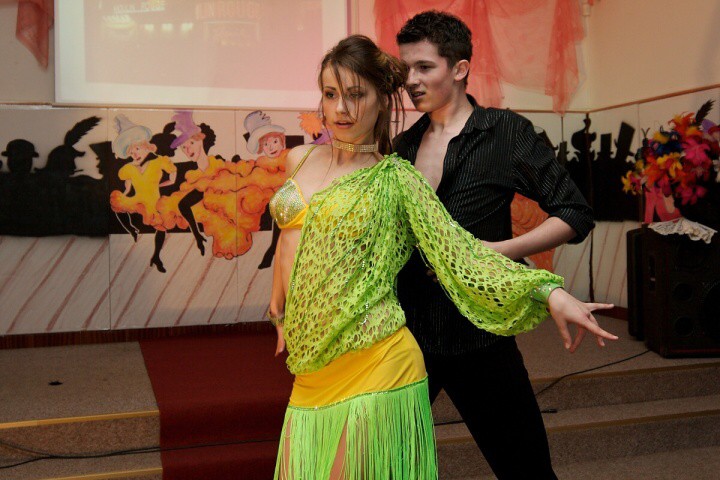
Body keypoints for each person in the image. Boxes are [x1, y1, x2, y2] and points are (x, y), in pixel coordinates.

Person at [268, 34, 616, 480]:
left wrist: (548, 290)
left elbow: (459, 251)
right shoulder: (321, 157)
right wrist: (279, 311)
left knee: (522, 464)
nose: (341, 109)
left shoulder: (405, 172)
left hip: (423, 344)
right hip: (347, 344)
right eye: (331, 94)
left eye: (356, 95)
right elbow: (291, 241)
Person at [394, 11, 598, 479]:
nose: (411, 80)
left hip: (479, 332)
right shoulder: (402, 145)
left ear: (460, 68)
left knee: (526, 470)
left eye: (424, 67)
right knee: (388, 466)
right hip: (408, 334)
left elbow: (574, 211)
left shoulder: (506, 132)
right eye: (406, 68)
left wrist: (503, 249)